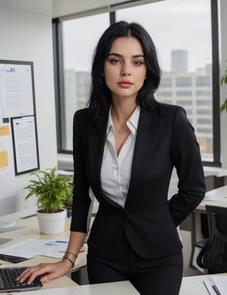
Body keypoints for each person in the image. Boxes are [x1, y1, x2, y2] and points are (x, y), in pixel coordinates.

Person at [17, 21, 206, 295]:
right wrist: (68, 260)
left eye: (137, 62)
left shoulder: (171, 120)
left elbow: (194, 188)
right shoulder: (84, 122)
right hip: (105, 257)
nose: (126, 70)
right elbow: (82, 195)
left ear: (147, 71)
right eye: (115, 60)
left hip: (159, 259)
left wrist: (158, 221)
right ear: (101, 68)